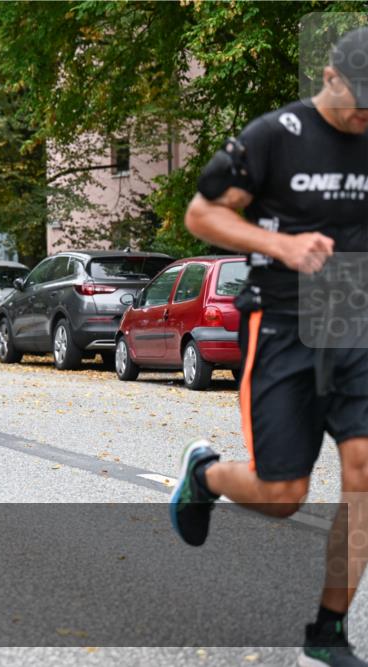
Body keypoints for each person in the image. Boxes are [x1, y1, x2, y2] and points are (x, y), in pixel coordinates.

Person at [170, 27, 368, 666]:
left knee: (364, 474)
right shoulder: (275, 136)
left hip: (355, 320)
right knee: (284, 497)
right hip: (282, 322)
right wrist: (281, 246)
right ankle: (205, 475)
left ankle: (329, 629)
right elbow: (202, 215)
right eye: (360, 99)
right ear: (332, 78)